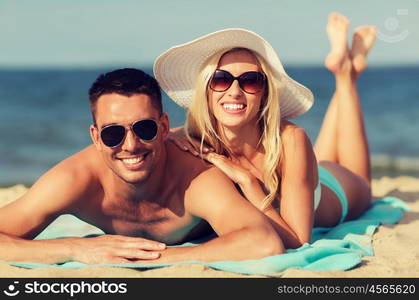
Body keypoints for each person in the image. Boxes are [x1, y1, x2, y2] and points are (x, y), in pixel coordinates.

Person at [0, 68, 284, 264]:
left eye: (144, 128)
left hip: (288, 190)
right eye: (113, 133)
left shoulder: (195, 178)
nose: (131, 145)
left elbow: (264, 242)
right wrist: (75, 248)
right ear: (96, 137)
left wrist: (154, 258)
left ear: (164, 127)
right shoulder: (76, 179)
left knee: (327, 174)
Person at [154, 13, 376, 249]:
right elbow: (153, 139)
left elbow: (299, 241)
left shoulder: (292, 139)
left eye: (250, 81)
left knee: (361, 180)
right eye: (221, 79)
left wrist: (248, 182)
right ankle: (345, 70)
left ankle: (346, 78)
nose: (235, 91)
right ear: (206, 91)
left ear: (265, 94)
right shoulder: (189, 138)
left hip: (336, 191)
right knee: (318, 157)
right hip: (303, 174)